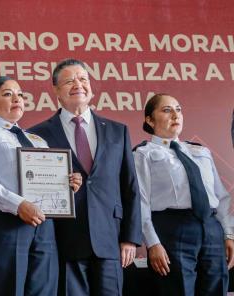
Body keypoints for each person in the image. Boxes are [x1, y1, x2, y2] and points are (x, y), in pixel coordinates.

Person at [0, 76, 82, 296]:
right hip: (4, 220)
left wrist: (68, 182)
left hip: (42, 224)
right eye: (7, 94)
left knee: (45, 291)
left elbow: (49, 182)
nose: (17, 99)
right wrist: (19, 205)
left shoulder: (36, 140)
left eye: (20, 95)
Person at [29, 59, 142, 296]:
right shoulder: (38, 135)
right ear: (56, 91)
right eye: (69, 81)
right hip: (64, 241)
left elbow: (129, 186)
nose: (78, 85)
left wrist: (130, 238)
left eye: (83, 79)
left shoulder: (117, 130)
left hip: (110, 240)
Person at [133, 93, 234, 295]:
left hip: (211, 228)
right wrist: (153, 243)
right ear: (149, 120)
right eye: (166, 110)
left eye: (178, 109)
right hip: (173, 228)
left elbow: (220, 197)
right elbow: (140, 202)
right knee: (179, 289)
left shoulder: (200, 151)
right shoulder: (143, 154)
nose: (175, 115)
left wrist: (228, 233)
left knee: (216, 287)